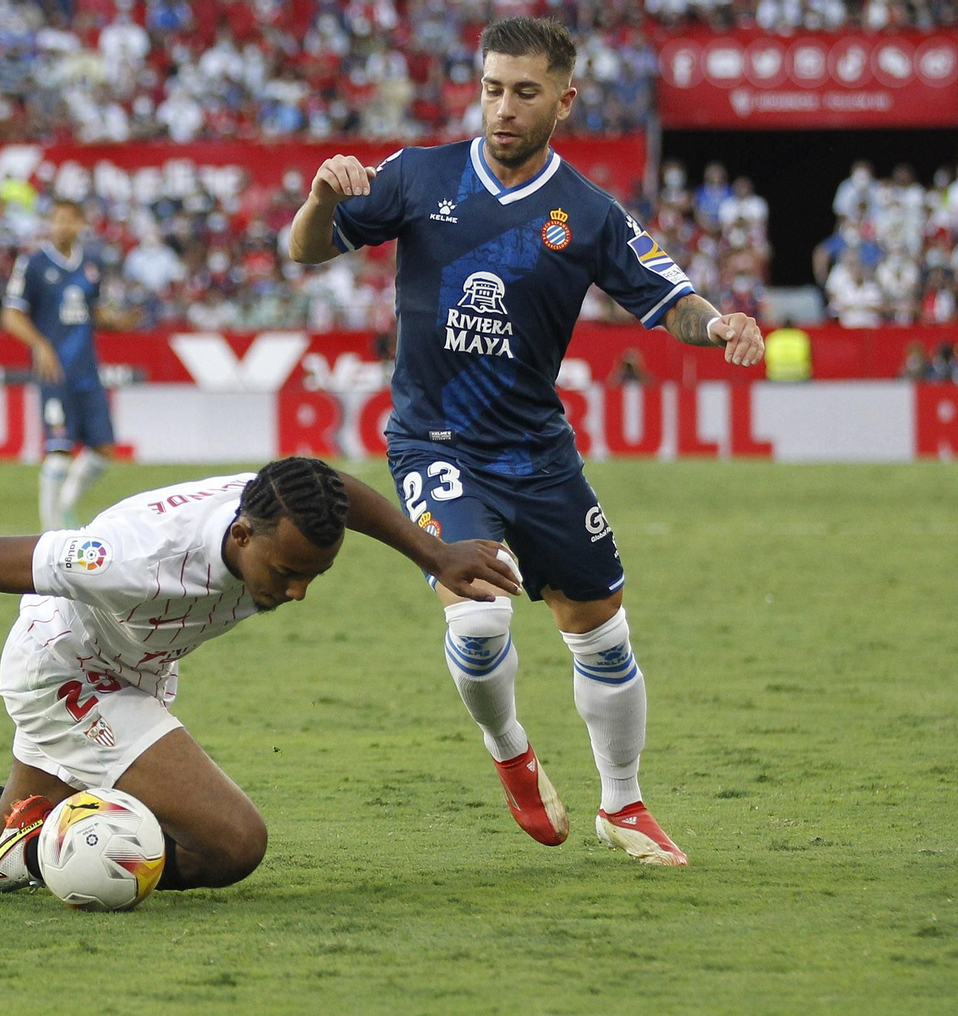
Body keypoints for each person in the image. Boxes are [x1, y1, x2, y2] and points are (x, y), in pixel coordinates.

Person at [289, 16, 764, 866]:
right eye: (492, 88)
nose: (503, 108)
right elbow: (305, 250)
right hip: (432, 444)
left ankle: (624, 805)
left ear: (564, 100)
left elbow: (670, 300)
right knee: (477, 615)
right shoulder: (418, 174)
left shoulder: (586, 213)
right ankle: (510, 750)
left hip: (537, 455)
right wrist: (324, 197)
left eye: (525, 92)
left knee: (602, 632)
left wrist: (720, 322)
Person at [0, 457, 521, 892]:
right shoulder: (133, 560)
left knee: (3, 822)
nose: (298, 591)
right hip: (68, 670)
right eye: (285, 571)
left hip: (132, 665)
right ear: (242, 534)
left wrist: (434, 553)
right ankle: (42, 851)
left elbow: (339, 491)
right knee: (232, 843)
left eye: (314, 573)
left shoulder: (285, 505)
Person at [1, 198, 137, 530]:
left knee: (104, 449)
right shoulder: (32, 264)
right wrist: (41, 345)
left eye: (68, 220)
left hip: (86, 370)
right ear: (49, 224)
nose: (61, 226)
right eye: (56, 220)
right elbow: (10, 316)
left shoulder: (90, 264)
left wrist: (117, 322)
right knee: (59, 452)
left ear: (80, 225)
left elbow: (93, 312)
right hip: (55, 372)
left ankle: (66, 503)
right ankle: (51, 533)